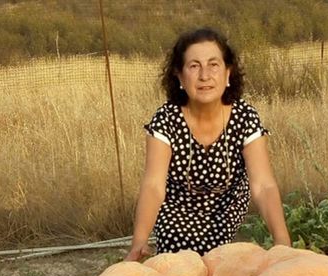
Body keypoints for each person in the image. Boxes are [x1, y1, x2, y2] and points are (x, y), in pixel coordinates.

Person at [125, 28, 291, 261]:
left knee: (222, 265)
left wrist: (282, 241)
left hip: (225, 208)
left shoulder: (245, 117)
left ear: (227, 73)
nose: (205, 75)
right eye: (194, 66)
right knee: (179, 260)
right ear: (180, 77)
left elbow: (263, 185)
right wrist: (139, 242)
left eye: (213, 65)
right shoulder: (166, 119)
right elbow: (153, 185)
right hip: (177, 211)